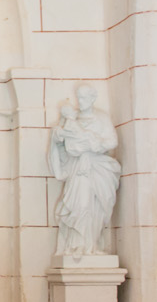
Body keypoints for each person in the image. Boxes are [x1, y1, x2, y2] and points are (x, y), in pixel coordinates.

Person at [49, 85, 120, 256]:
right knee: (80, 204)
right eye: (79, 97)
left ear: (92, 98)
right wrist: (58, 136)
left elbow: (112, 141)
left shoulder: (101, 117)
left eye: (84, 98)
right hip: (78, 168)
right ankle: (76, 245)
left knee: (98, 206)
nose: (80, 101)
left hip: (97, 167)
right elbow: (60, 141)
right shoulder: (72, 119)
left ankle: (92, 245)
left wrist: (94, 144)